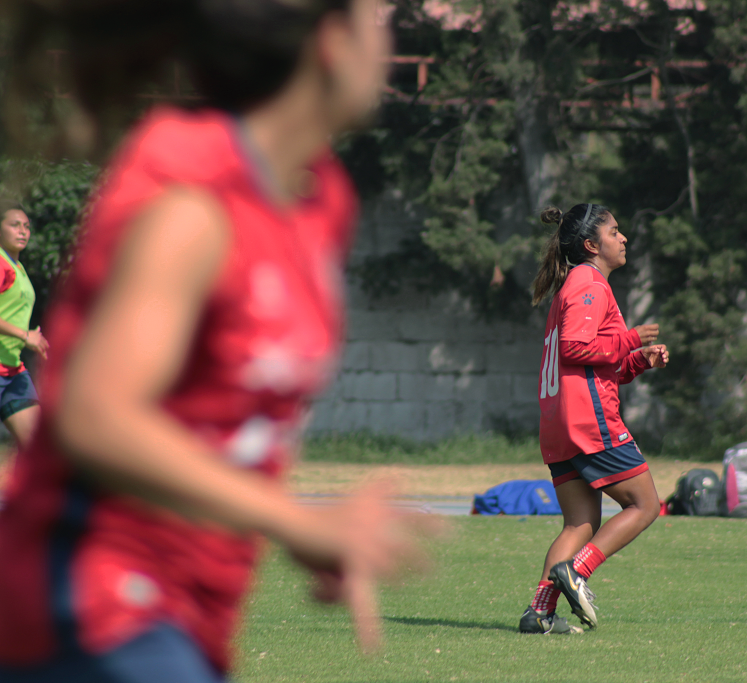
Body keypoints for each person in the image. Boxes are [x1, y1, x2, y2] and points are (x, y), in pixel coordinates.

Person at [0, 1, 436, 681]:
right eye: (379, 15)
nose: (393, 35)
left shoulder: (319, 198)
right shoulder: (192, 196)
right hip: (87, 606)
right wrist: (296, 520)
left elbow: (226, 418)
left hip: (181, 615)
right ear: (331, 40)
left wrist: (299, 534)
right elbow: (95, 415)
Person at [519, 203, 669, 635]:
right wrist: (632, 337)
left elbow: (598, 363)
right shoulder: (589, 282)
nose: (623, 239)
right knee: (643, 505)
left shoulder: (576, 284)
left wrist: (637, 359)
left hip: (559, 422)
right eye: (615, 232)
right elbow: (576, 349)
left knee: (580, 523)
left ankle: (540, 613)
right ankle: (577, 572)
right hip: (588, 419)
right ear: (591, 245)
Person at [0, 203, 48, 450]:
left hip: (11, 372)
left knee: (39, 448)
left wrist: (30, 338)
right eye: (14, 225)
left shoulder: (18, 268)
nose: (23, 231)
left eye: (27, 227)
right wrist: (23, 335)